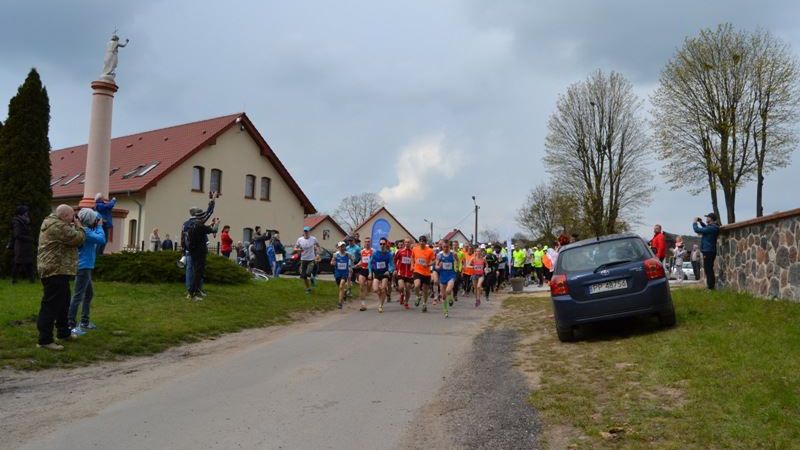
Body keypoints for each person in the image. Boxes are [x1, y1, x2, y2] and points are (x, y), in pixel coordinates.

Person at [35, 205, 86, 351]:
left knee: (63, 303)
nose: (73, 219)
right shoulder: (58, 226)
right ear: (64, 216)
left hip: (57, 269)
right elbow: (78, 239)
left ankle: (64, 332)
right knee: (50, 305)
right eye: (71, 216)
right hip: (55, 270)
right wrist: (79, 226)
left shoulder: (52, 222)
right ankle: (45, 340)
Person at [68, 209, 106, 335]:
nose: (96, 220)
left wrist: (97, 214)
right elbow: (101, 239)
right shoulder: (85, 231)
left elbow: (94, 216)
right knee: (78, 296)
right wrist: (100, 226)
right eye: (94, 219)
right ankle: (70, 325)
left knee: (88, 294)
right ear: (89, 220)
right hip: (83, 267)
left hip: (85, 266)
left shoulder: (83, 229)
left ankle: (84, 321)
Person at [181, 198, 215, 297]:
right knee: (198, 271)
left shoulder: (185, 224)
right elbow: (209, 213)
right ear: (196, 214)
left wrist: (183, 250)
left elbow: (182, 238)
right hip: (198, 250)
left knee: (189, 270)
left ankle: (189, 289)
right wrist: (212, 200)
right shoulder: (197, 223)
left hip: (188, 250)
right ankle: (197, 290)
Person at [187, 215, 220, 301]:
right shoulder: (201, 227)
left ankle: (196, 290)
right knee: (198, 273)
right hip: (200, 253)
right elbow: (214, 230)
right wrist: (217, 224)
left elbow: (205, 228)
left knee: (196, 273)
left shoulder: (193, 226)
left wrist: (211, 224)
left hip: (194, 253)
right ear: (201, 219)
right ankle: (192, 293)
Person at [693, 213, 720, 290]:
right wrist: (701, 222)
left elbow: (697, 230)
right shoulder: (713, 227)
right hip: (709, 251)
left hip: (708, 251)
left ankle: (710, 287)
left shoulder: (712, 228)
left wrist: (694, 223)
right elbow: (706, 228)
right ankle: (710, 286)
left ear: (711, 219)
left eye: (707, 217)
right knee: (709, 269)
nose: (706, 218)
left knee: (708, 270)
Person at [11, 205, 35, 284]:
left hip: (26, 245)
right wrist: (29, 238)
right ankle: (14, 280)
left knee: (29, 263)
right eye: (26, 211)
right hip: (21, 246)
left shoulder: (25, 220)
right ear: (22, 213)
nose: (27, 213)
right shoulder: (17, 222)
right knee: (18, 263)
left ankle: (32, 280)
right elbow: (17, 235)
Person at [369, 238, 395, 313]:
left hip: (385, 273)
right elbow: (370, 263)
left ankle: (380, 305)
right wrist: (370, 272)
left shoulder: (389, 254)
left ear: (386, 244)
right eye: (381, 244)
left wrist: (389, 271)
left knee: (383, 288)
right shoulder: (375, 253)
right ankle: (382, 297)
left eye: (383, 244)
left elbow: (392, 265)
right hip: (377, 273)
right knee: (375, 289)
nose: (382, 245)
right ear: (379, 244)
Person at [412, 235, 436, 313]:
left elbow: (434, 261)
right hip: (417, 270)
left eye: (423, 241)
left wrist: (428, 264)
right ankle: (418, 296)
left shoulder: (430, 251)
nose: (422, 243)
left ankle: (424, 304)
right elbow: (412, 257)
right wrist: (412, 265)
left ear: (426, 242)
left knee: (425, 290)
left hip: (426, 273)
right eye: (420, 241)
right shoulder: (415, 249)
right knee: (417, 285)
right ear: (419, 242)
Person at [295, 226, 320, 294]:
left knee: (308, 273)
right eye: (305, 231)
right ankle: (308, 288)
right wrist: (298, 250)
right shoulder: (300, 239)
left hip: (311, 259)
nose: (306, 233)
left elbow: (318, 246)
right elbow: (295, 248)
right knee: (304, 276)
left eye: (307, 231)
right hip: (303, 259)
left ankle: (312, 278)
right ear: (303, 232)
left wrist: (317, 254)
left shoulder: (313, 239)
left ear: (309, 232)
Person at [436, 241, 457, 318]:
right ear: (442, 247)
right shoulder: (439, 255)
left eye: (447, 247)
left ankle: (450, 297)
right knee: (443, 296)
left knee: (448, 290)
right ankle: (445, 311)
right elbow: (436, 266)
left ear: (449, 247)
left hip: (451, 275)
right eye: (444, 247)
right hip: (443, 276)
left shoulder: (453, 254)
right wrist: (439, 266)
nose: (445, 248)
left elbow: (458, 261)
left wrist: (457, 267)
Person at [394, 238, 414, 310]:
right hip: (401, 273)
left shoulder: (413, 252)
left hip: (409, 274)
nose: (407, 243)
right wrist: (396, 268)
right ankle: (402, 294)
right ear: (404, 243)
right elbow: (395, 260)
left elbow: (414, 262)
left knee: (408, 289)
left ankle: (406, 302)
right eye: (406, 242)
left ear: (410, 243)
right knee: (401, 287)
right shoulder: (400, 251)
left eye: (408, 242)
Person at [331, 241, 353, 309]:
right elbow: (332, 261)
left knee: (341, 286)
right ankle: (344, 293)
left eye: (343, 246)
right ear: (338, 247)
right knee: (340, 287)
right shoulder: (335, 254)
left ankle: (340, 303)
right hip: (337, 273)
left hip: (345, 273)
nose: (342, 248)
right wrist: (333, 263)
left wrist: (350, 267)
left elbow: (352, 259)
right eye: (341, 246)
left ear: (345, 247)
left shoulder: (347, 254)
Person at [356, 237, 373, 310]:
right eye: (366, 242)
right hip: (363, 269)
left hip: (370, 270)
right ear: (364, 243)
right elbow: (362, 260)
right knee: (361, 286)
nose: (367, 243)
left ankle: (367, 293)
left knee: (369, 288)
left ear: (370, 243)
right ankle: (363, 304)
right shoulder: (362, 251)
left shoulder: (373, 251)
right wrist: (358, 264)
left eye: (368, 242)